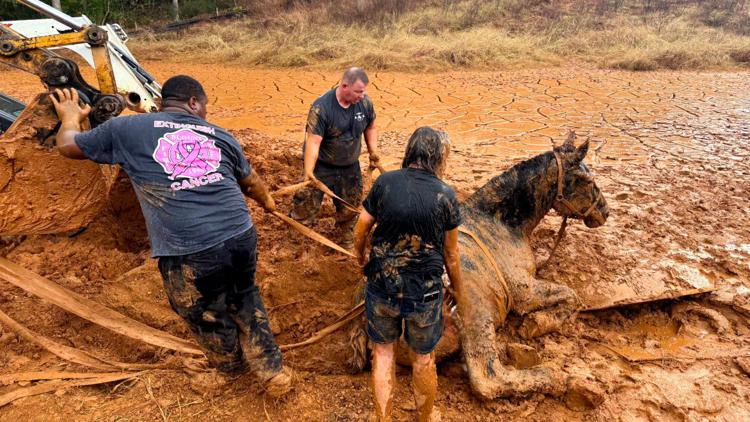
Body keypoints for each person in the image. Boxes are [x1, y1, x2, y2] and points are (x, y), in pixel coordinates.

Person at [49, 76, 292, 397]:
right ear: (193, 102)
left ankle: (229, 369)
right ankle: (272, 369)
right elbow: (251, 182)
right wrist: (269, 203)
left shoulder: (125, 129)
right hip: (240, 234)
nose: (205, 113)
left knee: (200, 310)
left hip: (189, 248)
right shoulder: (220, 134)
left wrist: (69, 118)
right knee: (245, 294)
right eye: (204, 106)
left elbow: (68, 146)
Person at [353, 127, 463, 421]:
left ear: (410, 151)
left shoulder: (385, 183)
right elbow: (451, 255)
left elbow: (362, 227)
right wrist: (459, 292)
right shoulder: (445, 195)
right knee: (424, 358)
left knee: (384, 353)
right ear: (440, 157)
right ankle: (424, 417)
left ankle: (383, 418)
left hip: (382, 285)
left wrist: (360, 256)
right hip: (424, 292)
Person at [290, 67, 380, 248]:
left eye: (363, 92)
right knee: (305, 206)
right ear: (344, 85)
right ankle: (297, 242)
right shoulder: (321, 108)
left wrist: (373, 151)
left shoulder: (365, 103)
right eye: (358, 92)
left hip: (349, 166)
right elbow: (313, 142)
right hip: (321, 166)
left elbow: (371, 127)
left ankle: (347, 240)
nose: (361, 96)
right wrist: (309, 171)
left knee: (350, 207)